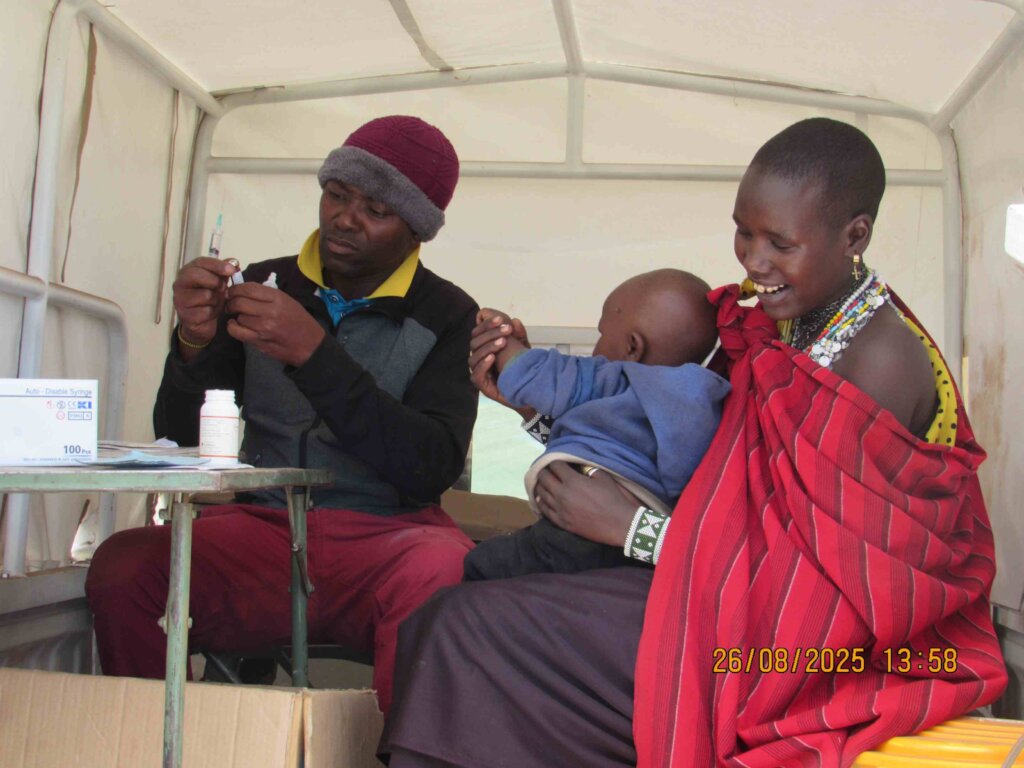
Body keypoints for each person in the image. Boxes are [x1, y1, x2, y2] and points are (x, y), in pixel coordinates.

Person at [382, 118, 1007, 766]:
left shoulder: (879, 363)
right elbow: (681, 452)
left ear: (854, 236)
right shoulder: (777, 325)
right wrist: (533, 402)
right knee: (454, 613)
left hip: (812, 651)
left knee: (470, 629)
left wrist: (637, 531)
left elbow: (825, 585)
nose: (754, 262)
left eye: (780, 243)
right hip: (723, 588)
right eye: (744, 232)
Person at [85, 115, 479, 714]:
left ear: (417, 230)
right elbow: (179, 437)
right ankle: (153, 745)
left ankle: (403, 752)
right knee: (126, 566)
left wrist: (315, 355)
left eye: (376, 210)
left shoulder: (449, 314)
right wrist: (194, 342)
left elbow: (430, 467)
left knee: (447, 571)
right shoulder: (262, 284)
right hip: (261, 532)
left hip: (389, 538)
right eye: (336, 194)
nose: (344, 218)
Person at [463, 269, 729, 580]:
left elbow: (537, 374)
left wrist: (502, 338)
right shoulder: (707, 407)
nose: (595, 349)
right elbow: (606, 441)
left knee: (484, 564)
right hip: (636, 554)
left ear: (633, 347)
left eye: (601, 333)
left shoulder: (614, 376)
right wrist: (530, 412)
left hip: (579, 536)